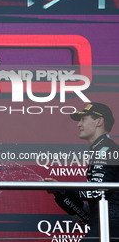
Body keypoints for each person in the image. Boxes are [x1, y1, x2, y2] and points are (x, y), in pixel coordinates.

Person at [45, 103, 119, 241]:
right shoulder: (102, 149)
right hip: (104, 226)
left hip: (111, 228)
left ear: (99, 121)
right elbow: (86, 215)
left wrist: (63, 188)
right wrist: (60, 193)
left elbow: (98, 191)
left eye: (83, 119)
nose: (79, 125)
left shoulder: (106, 150)